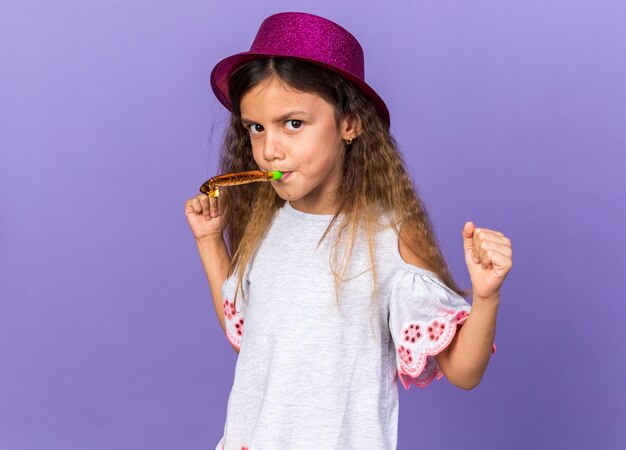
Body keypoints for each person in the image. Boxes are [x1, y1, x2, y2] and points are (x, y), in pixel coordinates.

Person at [184, 11, 512, 450]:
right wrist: (210, 242)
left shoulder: (390, 238)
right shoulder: (269, 223)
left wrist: (486, 295)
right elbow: (250, 337)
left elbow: (463, 372)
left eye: (293, 123)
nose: (268, 150)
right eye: (256, 128)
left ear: (349, 123)